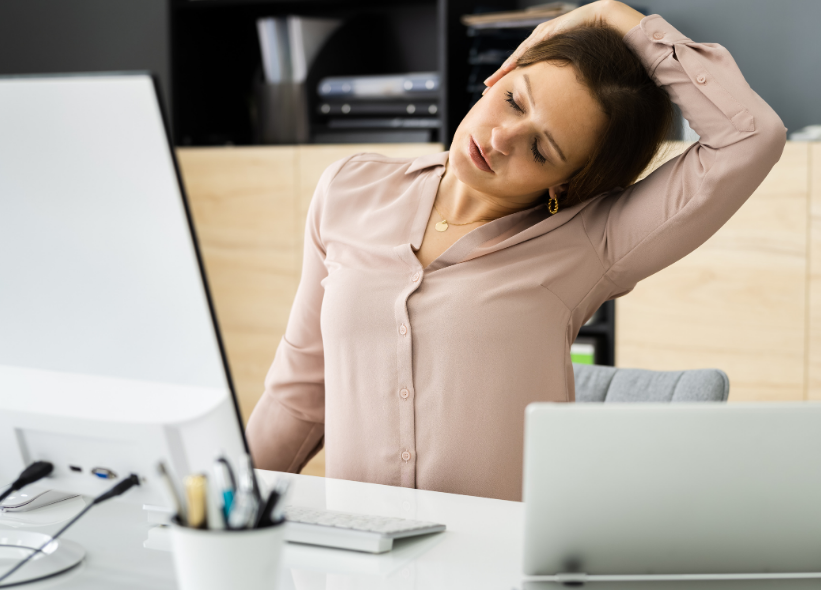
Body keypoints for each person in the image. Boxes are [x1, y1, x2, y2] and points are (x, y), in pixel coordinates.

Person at [246, 0, 787, 502]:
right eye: (513, 101)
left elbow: (751, 136)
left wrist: (613, 13)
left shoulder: (592, 243)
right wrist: (221, 515)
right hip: (361, 562)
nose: (501, 138)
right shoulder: (349, 189)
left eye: (540, 148)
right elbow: (299, 397)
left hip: (498, 565)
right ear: (499, 74)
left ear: (565, 184)